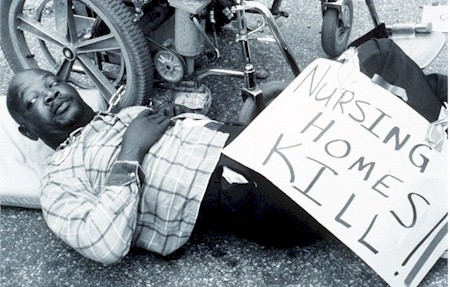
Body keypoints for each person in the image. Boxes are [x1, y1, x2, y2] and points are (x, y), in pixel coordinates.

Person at [6, 38, 447, 265]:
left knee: (372, 56)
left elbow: (217, 135)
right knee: (373, 148)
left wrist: (255, 110)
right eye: (33, 101)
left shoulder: (128, 113)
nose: (49, 94)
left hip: (255, 143)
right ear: (28, 131)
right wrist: (129, 154)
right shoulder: (60, 179)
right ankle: (431, 162)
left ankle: (431, 122)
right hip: (245, 190)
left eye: (50, 83)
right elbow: (101, 244)